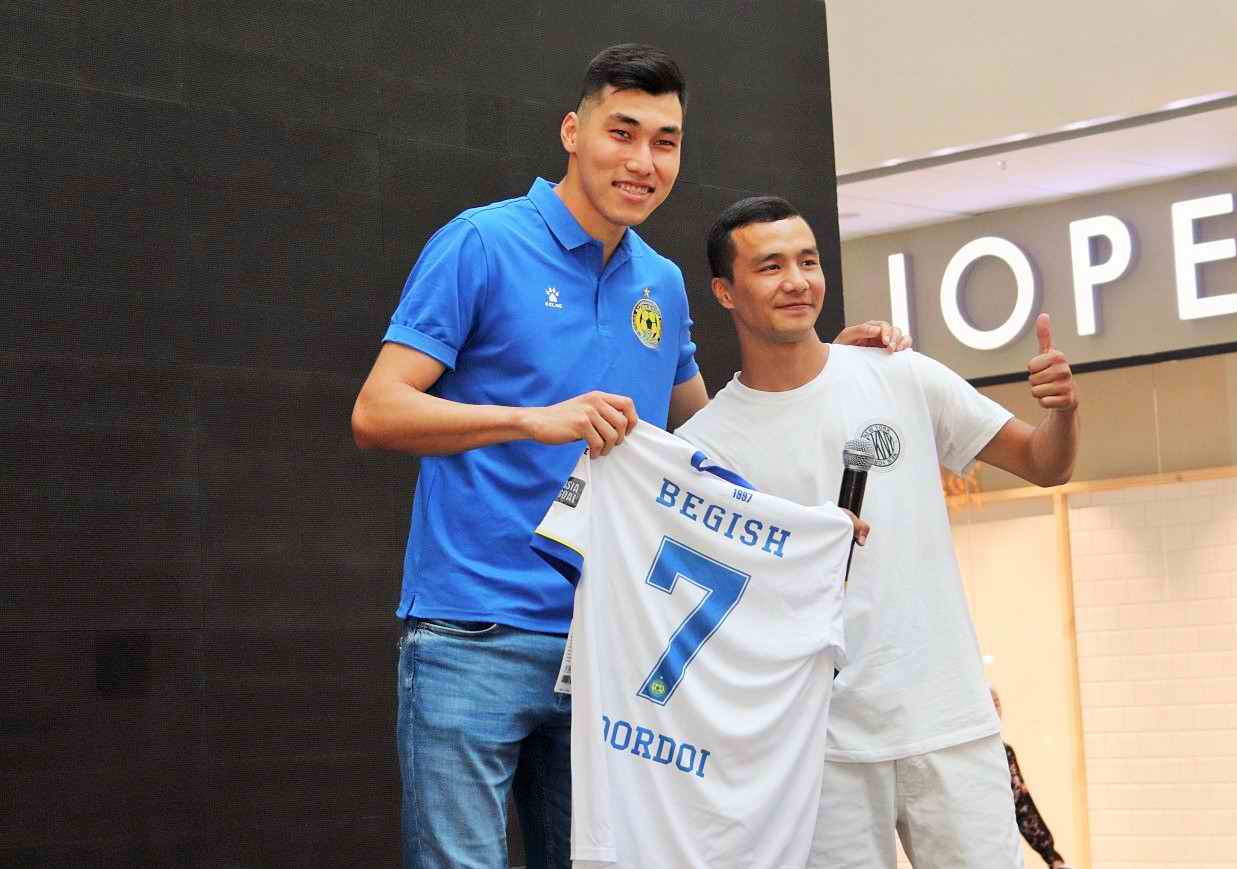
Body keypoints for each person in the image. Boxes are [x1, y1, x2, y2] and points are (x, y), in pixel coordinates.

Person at [351, 45, 905, 868]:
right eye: (623, 132)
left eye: (665, 142)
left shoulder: (662, 282)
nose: (644, 161)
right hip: (473, 629)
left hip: (611, 645)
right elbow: (377, 409)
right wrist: (533, 420)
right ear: (573, 132)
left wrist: (816, 359)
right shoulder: (481, 243)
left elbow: (708, 441)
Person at [675, 196, 1080, 869]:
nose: (797, 281)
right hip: (816, 747)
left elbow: (1045, 463)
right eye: (771, 266)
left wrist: (1063, 411)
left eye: (808, 261)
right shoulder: (706, 446)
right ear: (725, 291)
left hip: (950, 722)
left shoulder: (899, 373)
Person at [991, 687, 1073, 869]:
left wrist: (1052, 857)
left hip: (1000, 853)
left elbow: (1022, 806)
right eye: (990, 703)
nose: (995, 708)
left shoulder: (1004, 753)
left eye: (997, 703)